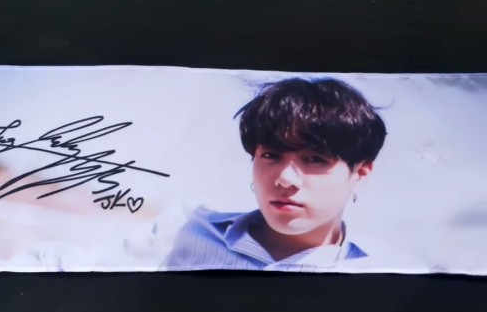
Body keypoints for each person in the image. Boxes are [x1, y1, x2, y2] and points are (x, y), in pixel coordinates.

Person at [162, 77, 387, 271]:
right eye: (271, 155)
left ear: (360, 173)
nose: (285, 179)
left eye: (314, 159)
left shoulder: (378, 270)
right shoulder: (188, 234)